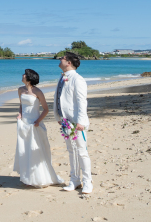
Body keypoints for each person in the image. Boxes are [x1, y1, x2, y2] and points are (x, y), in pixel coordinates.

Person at [13, 68, 64, 187]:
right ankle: (26, 176)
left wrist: (38, 121)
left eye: (24, 74)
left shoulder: (38, 92)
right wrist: (20, 114)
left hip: (35, 124)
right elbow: (21, 105)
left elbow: (46, 109)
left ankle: (38, 177)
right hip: (24, 123)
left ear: (29, 77)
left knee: (36, 150)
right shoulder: (20, 90)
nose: (22, 75)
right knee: (24, 149)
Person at [53, 52, 93, 194]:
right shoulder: (62, 77)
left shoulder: (77, 79)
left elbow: (82, 101)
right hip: (65, 121)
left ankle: (87, 182)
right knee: (71, 151)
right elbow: (58, 97)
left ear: (68, 62)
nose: (59, 60)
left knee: (82, 152)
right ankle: (75, 180)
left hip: (77, 122)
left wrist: (80, 121)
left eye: (62, 58)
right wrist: (58, 116)